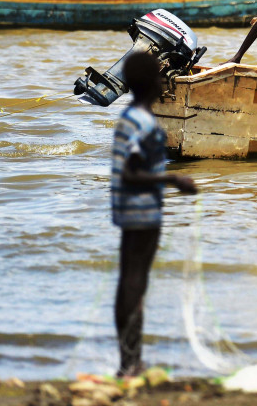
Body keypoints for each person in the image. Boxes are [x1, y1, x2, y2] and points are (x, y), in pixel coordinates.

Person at [110, 51, 197, 377]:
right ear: (150, 84)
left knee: (130, 283)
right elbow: (131, 172)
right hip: (141, 211)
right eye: (161, 76)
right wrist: (173, 179)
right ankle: (130, 363)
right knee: (134, 284)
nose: (165, 81)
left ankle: (130, 361)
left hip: (129, 210)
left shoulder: (131, 117)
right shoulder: (144, 123)